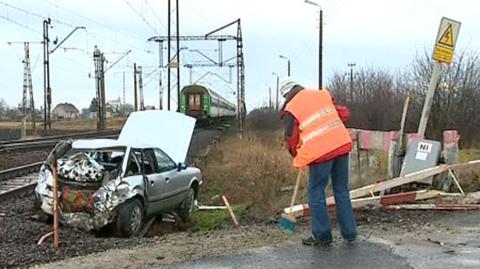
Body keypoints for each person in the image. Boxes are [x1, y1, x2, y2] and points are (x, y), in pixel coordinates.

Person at [279, 78, 357, 246]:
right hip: (342, 145)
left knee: (316, 193)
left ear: (286, 95)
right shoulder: (321, 94)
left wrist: (297, 155)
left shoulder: (292, 107)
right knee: (341, 190)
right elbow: (344, 114)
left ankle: (322, 236)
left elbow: (291, 139)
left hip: (321, 153)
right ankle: (350, 233)